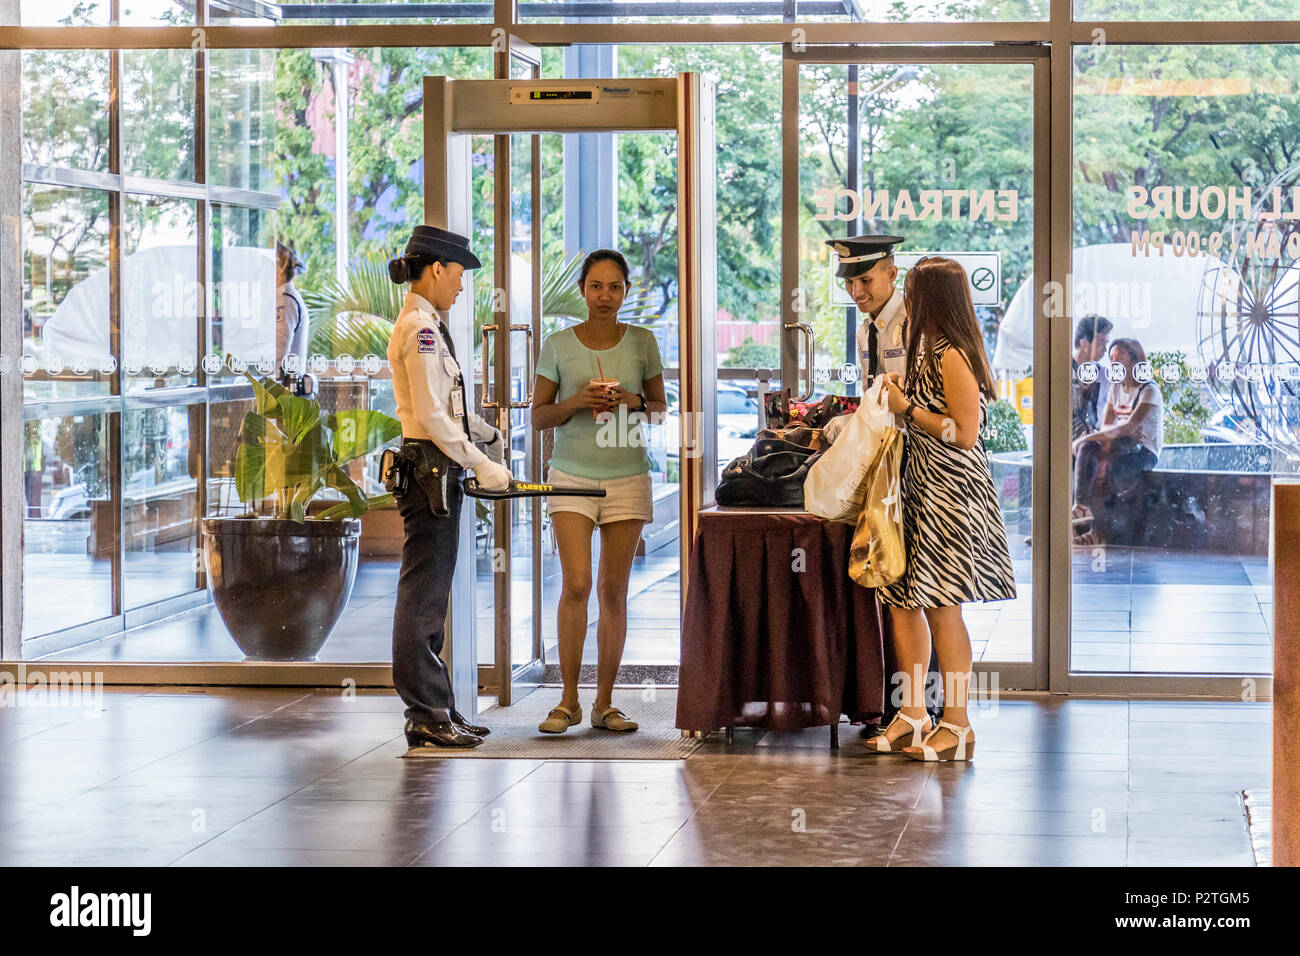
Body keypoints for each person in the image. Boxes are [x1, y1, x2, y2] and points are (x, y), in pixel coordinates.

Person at [866, 256, 1017, 762]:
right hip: (917, 483)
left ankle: (958, 722)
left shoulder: (952, 354)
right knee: (903, 597)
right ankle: (912, 713)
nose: (905, 297)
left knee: (941, 604)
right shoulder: (925, 349)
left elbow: (964, 432)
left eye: (911, 288)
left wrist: (906, 406)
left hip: (949, 491)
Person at [530, 249, 668, 735]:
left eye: (614, 287)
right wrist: (576, 401)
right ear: (583, 290)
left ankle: (604, 703)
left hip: (628, 475)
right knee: (576, 585)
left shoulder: (644, 342)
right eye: (595, 286)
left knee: (614, 592)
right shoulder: (557, 344)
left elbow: (659, 410)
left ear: (626, 290)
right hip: (571, 475)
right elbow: (539, 415)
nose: (604, 296)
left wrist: (631, 401)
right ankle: (566, 700)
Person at [386, 225, 514, 751]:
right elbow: (433, 419)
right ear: (436, 269)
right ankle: (425, 712)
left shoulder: (429, 324)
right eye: (459, 275)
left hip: (438, 467)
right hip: (429, 470)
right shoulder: (419, 327)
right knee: (423, 594)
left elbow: (444, 408)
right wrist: (481, 464)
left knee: (432, 594)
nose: (461, 287)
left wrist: (485, 433)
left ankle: (436, 707)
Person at [1072, 336, 1163, 536]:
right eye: (1112, 359)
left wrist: (1086, 438)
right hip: (1120, 446)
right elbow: (1107, 426)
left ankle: (1092, 531)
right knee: (1087, 453)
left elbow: (1127, 427)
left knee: (1097, 459)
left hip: (1143, 453)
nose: (1114, 364)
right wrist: (1096, 439)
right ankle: (1079, 512)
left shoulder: (1149, 390)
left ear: (1134, 360)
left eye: (1119, 358)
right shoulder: (1115, 387)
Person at [822, 234, 907, 442]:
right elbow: (874, 404)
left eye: (865, 280)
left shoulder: (914, 321)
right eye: (849, 282)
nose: (856, 292)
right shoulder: (865, 332)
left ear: (892, 274)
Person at [275, 242, 310, 374]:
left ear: (281, 268)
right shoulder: (282, 297)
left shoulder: (286, 300)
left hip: (284, 390)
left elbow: (279, 351)